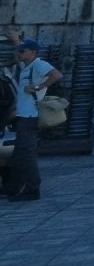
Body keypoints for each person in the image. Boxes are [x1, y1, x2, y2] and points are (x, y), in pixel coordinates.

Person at [6, 39, 60, 202]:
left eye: (23, 51)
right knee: (19, 156)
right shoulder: (26, 67)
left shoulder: (38, 64)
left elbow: (57, 75)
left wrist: (39, 87)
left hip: (30, 118)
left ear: (32, 52)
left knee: (27, 156)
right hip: (23, 116)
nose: (19, 53)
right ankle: (13, 188)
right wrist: (16, 40)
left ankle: (32, 190)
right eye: (19, 51)